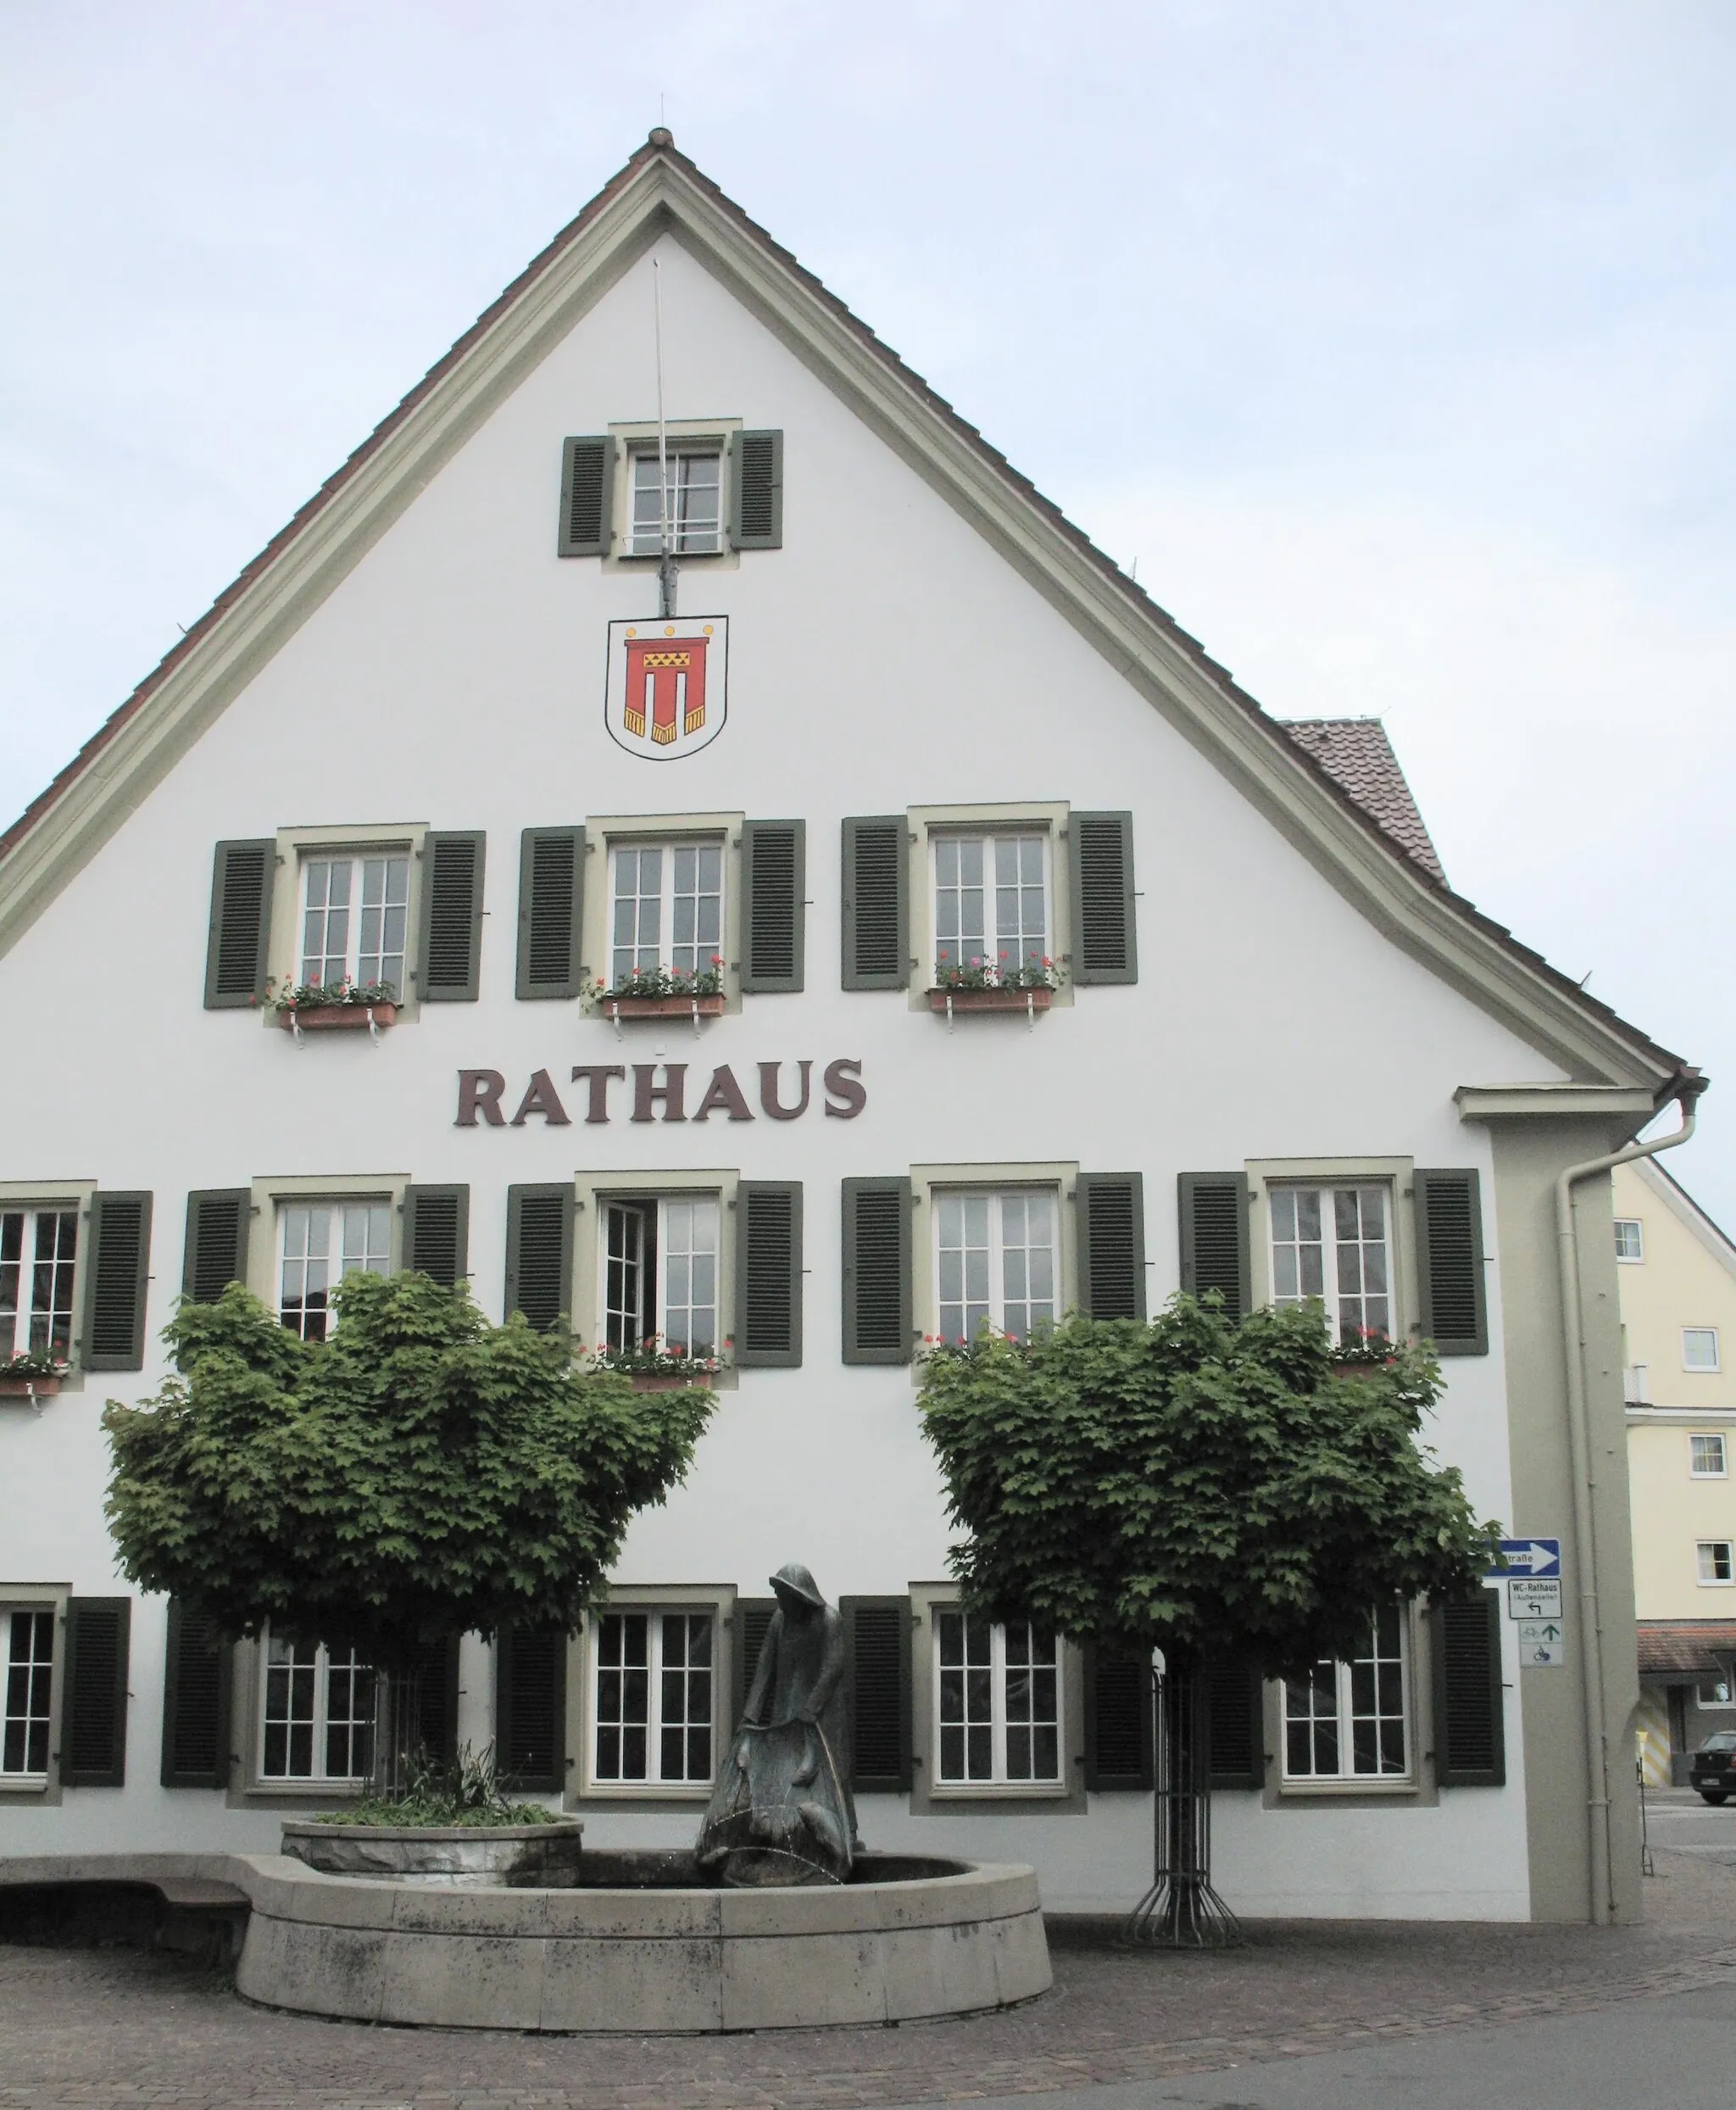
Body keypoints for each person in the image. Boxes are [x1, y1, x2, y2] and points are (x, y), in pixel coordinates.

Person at [696, 1562, 860, 1886]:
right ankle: (783, 1840)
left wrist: (811, 1711)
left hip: (824, 1714)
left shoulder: (830, 1620)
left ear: (800, 1595)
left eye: (782, 1594)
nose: (778, 1600)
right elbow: (764, 1670)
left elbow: (834, 1667)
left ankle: (846, 1834)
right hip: (786, 1708)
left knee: (832, 1773)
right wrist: (750, 1719)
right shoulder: (779, 1621)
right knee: (783, 1772)